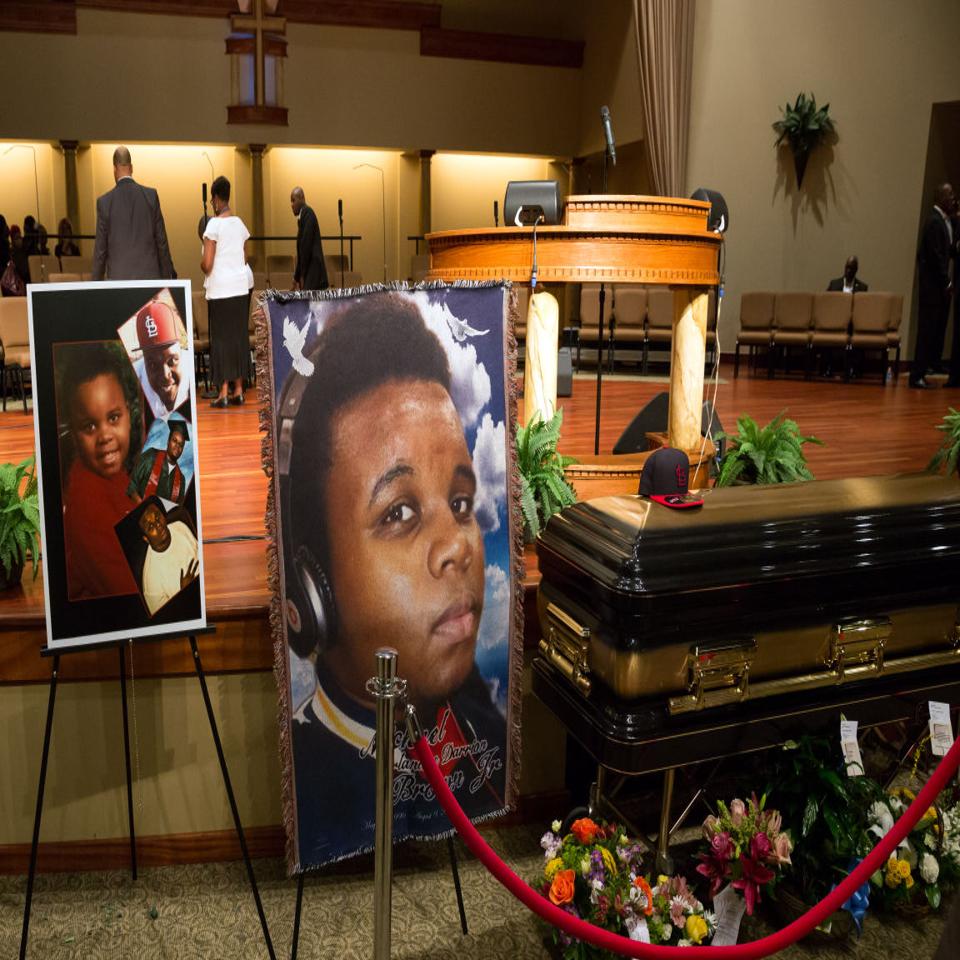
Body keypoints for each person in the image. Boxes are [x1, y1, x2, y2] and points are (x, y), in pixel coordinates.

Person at [281, 294, 506, 867]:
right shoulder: (308, 775)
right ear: (313, 587)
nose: (457, 544)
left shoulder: (487, 730)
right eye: (398, 513)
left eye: (460, 501)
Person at [58, 342, 141, 600]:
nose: (105, 436)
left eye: (113, 417)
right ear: (73, 432)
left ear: (130, 412)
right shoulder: (87, 502)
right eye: (89, 426)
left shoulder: (113, 475)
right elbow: (130, 594)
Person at [200, 176, 252, 407]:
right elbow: (245, 257)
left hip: (220, 290)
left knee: (221, 340)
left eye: (213, 199)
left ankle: (222, 393)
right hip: (240, 289)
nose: (212, 203)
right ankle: (239, 390)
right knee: (238, 338)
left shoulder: (213, 225)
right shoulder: (240, 224)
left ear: (217, 198)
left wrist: (201, 262)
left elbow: (207, 264)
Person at [91, 146, 175, 281]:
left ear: (114, 169)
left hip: (118, 281)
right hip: (150, 280)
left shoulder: (105, 202)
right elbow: (162, 242)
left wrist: (94, 285)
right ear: (132, 168)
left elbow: (100, 252)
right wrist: (167, 278)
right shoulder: (150, 196)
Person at [911, 183, 956, 388]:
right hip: (932, 289)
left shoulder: (946, 222)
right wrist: (946, 281)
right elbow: (936, 257)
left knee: (935, 329)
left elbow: (948, 251)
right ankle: (917, 374)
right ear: (940, 198)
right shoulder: (934, 222)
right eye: (950, 195)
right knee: (926, 330)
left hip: (937, 289)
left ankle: (931, 365)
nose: (953, 198)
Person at [137, 500, 199, 616]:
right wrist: (184, 593)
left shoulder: (179, 526)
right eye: (150, 526)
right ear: (146, 539)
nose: (158, 524)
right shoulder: (151, 584)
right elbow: (169, 621)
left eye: (157, 516)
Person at [132, 300, 192, 419]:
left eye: (172, 361)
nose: (165, 375)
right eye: (153, 365)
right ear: (144, 361)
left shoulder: (191, 373)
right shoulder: (134, 379)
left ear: (180, 350)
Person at [127, 419, 190, 505]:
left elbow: (176, 509)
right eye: (174, 441)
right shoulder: (151, 456)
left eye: (181, 445)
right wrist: (141, 506)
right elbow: (131, 485)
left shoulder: (181, 480)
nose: (177, 446)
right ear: (168, 442)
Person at [290, 186, 328, 291]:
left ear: (302, 198)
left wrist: (301, 275)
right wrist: (296, 277)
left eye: (294, 200)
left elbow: (305, 248)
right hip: (311, 273)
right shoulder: (304, 216)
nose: (291, 205)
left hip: (313, 274)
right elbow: (302, 252)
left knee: (309, 305)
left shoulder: (308, 213)